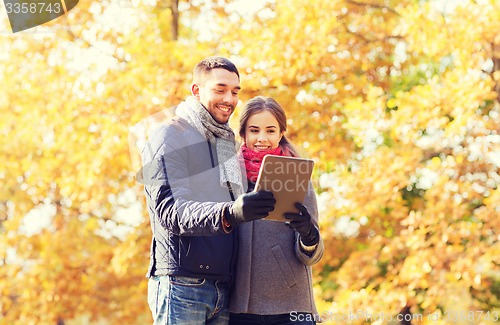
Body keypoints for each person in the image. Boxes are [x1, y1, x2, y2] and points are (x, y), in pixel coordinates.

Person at [141, 57, 276, 325]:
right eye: (220, 89)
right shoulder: (169, 135)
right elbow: (171, 211)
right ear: (196, 90)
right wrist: (230, 211)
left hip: (224, 288)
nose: (230, 98)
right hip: (182, 284)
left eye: (235, 92)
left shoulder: (226, 143)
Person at [229, 96, 324, 325]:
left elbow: (314, 254)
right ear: (243, 134)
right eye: (254, 130)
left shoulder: (297, 176)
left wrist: (308, 233)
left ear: (281, 134)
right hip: (239, 307)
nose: (262, 138)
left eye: (270, 131)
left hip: (291, 305)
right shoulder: (229, 177)